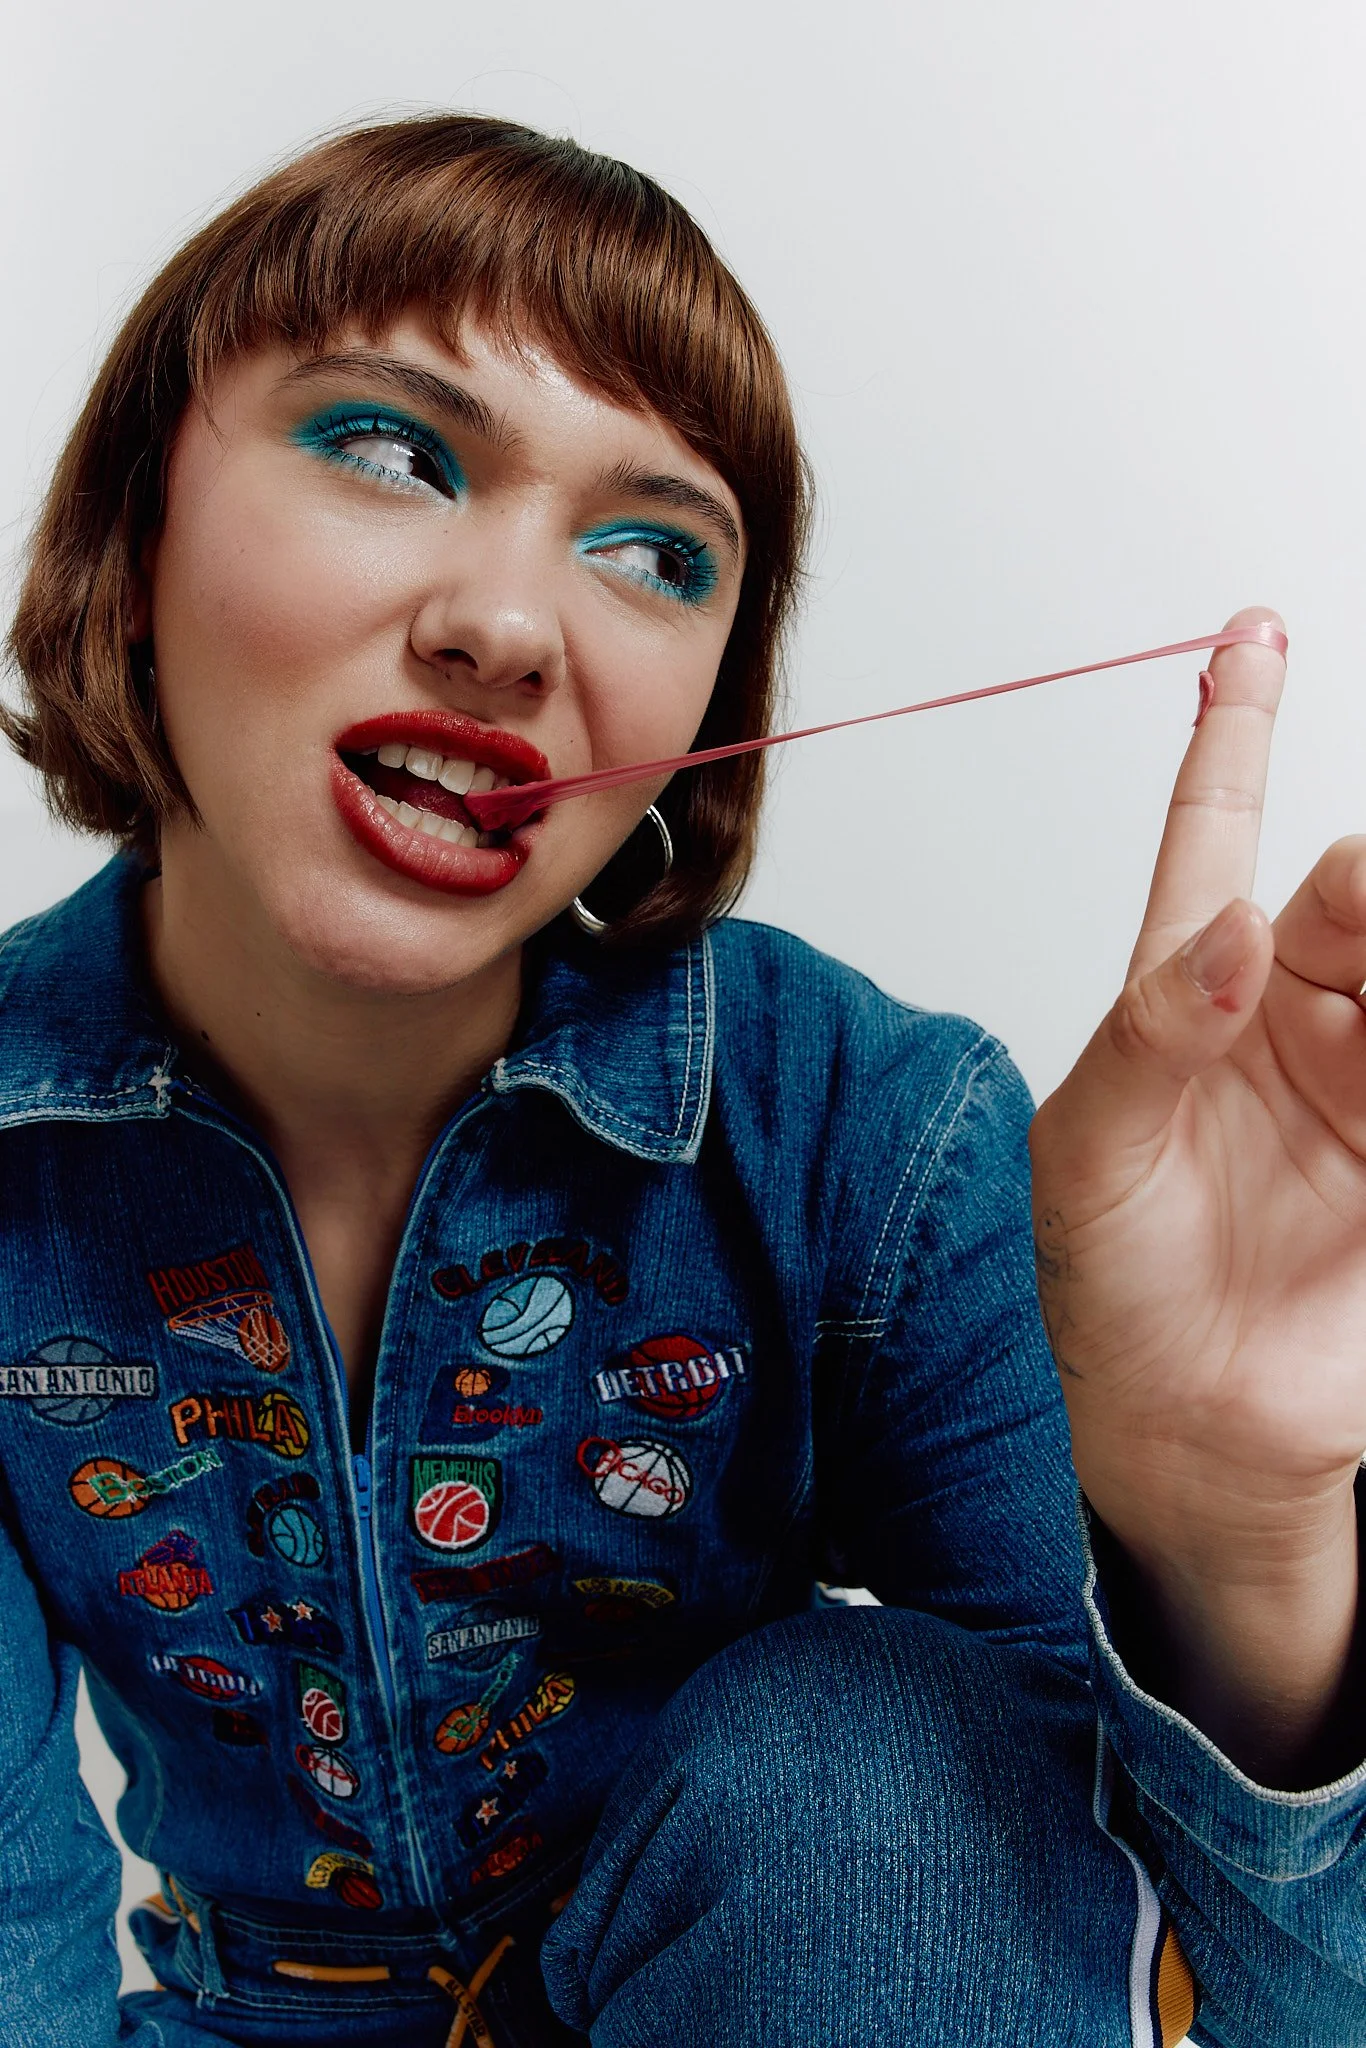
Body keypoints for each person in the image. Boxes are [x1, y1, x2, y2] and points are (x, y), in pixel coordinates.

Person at [0, 112, 1360, 2048]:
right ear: (135, 533)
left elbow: (1261, 2003)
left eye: (653, 552)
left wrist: (1238, 1537)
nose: (504, 628)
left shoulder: (871, 1134)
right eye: (388, 450)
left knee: (882, 1754)